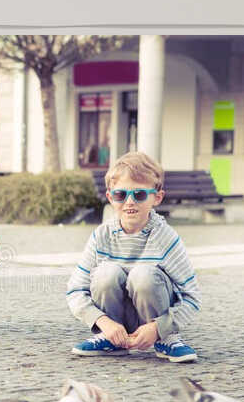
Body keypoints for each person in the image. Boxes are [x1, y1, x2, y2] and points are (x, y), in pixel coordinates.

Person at [63, 150, 201, 363]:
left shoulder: (165, 238)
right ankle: (111, 340)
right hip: (113, 321)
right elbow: (75, 291)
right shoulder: (101, 236)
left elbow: (192, 297)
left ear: (157, 197)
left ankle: (167, 340)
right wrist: (103, 322)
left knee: (143, 275)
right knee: (105, 273)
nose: (129, 202)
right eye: (120, 195)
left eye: (139, 194)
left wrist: (159, 328)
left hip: (156, 319)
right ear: (110, 197)